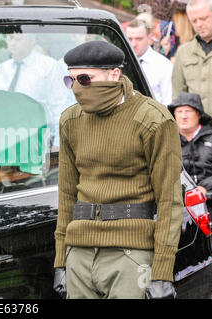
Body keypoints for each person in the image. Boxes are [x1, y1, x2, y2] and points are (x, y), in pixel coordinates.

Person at [53, 40, 183, 299]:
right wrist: (61, 260)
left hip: (130, 253)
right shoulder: (71, 120)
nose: (77, 88)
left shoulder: (152, 119)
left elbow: (170, 200)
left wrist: (162, 272)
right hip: (79, 251)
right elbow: (66, 194)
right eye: (71, 81)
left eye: (85, 79)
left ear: (114, 75)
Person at [0, 32, 71, 147]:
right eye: (10, 39)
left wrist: (58, 144)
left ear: (32, 41)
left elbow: (59, 107)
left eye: (18, 39)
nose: (13, 43)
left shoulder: (48, 66)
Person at [172, 0, 212, 127]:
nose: (199, 24)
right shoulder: (183, 52)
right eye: (194, 21)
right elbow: (178, 97)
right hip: (196, 136)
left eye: (204, 18)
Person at [168, 92, 212, 197]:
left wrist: (203, 187)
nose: (183, 116)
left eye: (188, 111)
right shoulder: (167, 141)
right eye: (179, 111)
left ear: (199, 114)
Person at [126, 19, 174, 106]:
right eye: (129, 39)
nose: (133, 44)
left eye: (139, 39)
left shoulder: (164, 66)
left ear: (150, 38)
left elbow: (168, 102)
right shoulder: (121, 62)